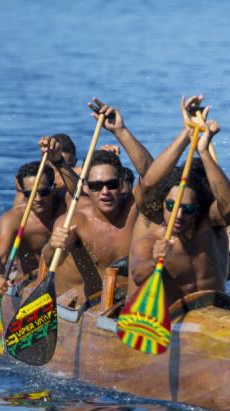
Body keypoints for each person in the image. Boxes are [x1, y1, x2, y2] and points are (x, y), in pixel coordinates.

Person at [128, 96, 230, 305]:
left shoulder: (212, 225)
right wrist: (188, 132)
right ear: (162, 204)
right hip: (171, 321)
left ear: (198, 209)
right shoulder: (151, 240)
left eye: (187, 209)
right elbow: (138, 275)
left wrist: (203, 151)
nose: (178, 215)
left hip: (215, 318)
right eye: (171, 206)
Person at [40, 100, 153, 298]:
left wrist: (121, 131)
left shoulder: (134, 209)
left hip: (129, 304)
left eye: (111, 184)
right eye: (96, 186)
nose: (105, 192)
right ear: (85, 187)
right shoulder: (75, 219)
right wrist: (53, 245)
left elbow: (151, 174)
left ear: (121, 184)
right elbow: (51, 261)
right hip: (86, 307)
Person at [0, 160, 66, 296]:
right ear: (22, 192)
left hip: (63, 286)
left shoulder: (66, 208)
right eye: (30, 193)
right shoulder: (13, 219)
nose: (37, 198)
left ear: (53, 188)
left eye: (44, 192)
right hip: (28, 283)